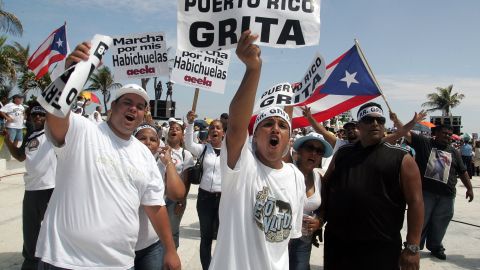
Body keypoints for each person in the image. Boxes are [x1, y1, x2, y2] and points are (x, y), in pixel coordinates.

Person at [35, 42, 180, 270]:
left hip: (119, 264)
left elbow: (155, 206)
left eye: (140, 106)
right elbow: (56, 117)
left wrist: (170, 250)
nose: (133, 109)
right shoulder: (83, 130)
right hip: (65, 260)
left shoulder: (143, 154)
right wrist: (70, 74)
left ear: (144, 114)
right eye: (127, 102)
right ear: (112, 107)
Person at [209, 30, 305, 270]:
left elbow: (285, 241)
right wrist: (253, 69)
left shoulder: (296, 177)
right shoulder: (242, 166)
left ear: (289, 138)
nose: (275, 129)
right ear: (254, 135)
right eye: (267, 124)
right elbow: (236, 126)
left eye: (283, 126)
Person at [321, 102, 424, 270]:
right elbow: (326, 185)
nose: (375, 124)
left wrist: (412, 247)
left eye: (380, 120)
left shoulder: (402, 158)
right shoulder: (343, 153)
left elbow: (416, 202)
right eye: (368, 119)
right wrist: (320, 217)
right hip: (338, 244)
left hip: (380, 248)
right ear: (359, 126)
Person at [405, 124, 474, 260]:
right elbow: (404, 132)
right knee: (420, 221)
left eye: (449, 134)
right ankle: (413, 247)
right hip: (426, 193)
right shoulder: (425, 143)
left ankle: (436, 246)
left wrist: (470, 188)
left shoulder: (454, 152)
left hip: (447, 196)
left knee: (440, 223)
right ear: (435, 132)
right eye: (444, 133)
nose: (447, 136)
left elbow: (463, 171)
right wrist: (402, 120)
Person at [3, 105, 55, 270]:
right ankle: (31, 264)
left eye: (41, 114)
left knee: (52, 232)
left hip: (50, 189)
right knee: (30, 232)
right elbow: (19, 156)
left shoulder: (52, 133)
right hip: (31, 190)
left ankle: (53, 263)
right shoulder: (30, 136)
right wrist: (7, 141)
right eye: (34, 115)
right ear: (30, 117)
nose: (38, 117)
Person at [133, 123, 186, 270]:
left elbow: (178, 194)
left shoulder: (161, 164)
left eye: (153, 139)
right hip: (124, 245)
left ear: (159, 144)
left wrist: (168, 162)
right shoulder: (123, 160)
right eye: (142, 138)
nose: (148, 142)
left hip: (151, 244)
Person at [185, 110, 225, 270]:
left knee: (223, 237)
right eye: (212, 128)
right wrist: (189, 124)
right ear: (209, 132)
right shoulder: (203, 149)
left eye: (218, 128)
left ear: (223, 133)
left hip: (223, 199)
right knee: (206, 237)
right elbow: (188, 144)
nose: (214, 130)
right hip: (204, 199)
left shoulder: (231, 152)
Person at [289, 132, 333, 270]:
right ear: (300, 150)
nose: (314, 153)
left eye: (319, 151)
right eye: (310, 148)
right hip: (281, 239)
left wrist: (318, 222)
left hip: (304, 241)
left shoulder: (320, 178)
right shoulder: (286, 172)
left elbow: (323, 208)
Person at [162, 120, 194, 250]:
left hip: (174, 200)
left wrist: (181, 201)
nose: (173, 130)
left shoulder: (185, 154)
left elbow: (186, 180)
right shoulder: (160, 148)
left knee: (172, 232)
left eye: (177, 129)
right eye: (171, 128)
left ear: (182, 136)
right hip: (159, 198)